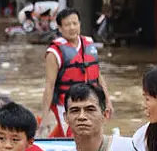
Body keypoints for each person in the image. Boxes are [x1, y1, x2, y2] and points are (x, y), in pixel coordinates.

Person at [39, 8, 113, 138]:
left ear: (79, 24)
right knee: (75, 134)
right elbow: (49, 86)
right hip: (65, 103)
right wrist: (45, 117)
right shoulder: (54, 52)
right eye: (67, 25)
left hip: (90, 99)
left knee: (94, 132)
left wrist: (108, 100)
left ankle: (52, 137)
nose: (72, 27)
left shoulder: (88, 44)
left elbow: (98, 75)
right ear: (60, 28)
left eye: (75, 23)